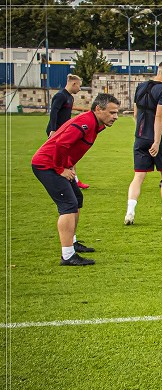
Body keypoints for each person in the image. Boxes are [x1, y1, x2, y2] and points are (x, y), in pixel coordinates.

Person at [32, 93, 120, 265]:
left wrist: (69, 164)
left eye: (117, 112)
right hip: (47, 166)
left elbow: (71, 146)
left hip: (60, 165)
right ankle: (67, 256)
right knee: (68, 206)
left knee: (77, 199)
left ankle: (72, 242)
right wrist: (60, 168)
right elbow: (60, 144)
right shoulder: (85, 123)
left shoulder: (95, 123)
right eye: (112, 113)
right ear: (98, 109)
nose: (115, 117)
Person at [124, 60, 162, 225]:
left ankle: (130, 211)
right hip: (157, 138)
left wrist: (141, 132)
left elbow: (136, 114)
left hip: (140, 136)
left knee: (138, 176)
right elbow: (159, 116)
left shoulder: (140, 86)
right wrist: (156, 141)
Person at [47, 74, 88, 189]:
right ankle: (66, 180)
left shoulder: (70, 97)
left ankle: (74, 180)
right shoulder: (60, 96)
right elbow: (53, 113)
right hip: (56, 132)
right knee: (58, 158)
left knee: (71, 157)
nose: (80, 89)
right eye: (79, 86)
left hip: (66, 132)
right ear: (73, 83)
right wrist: (53, 130)